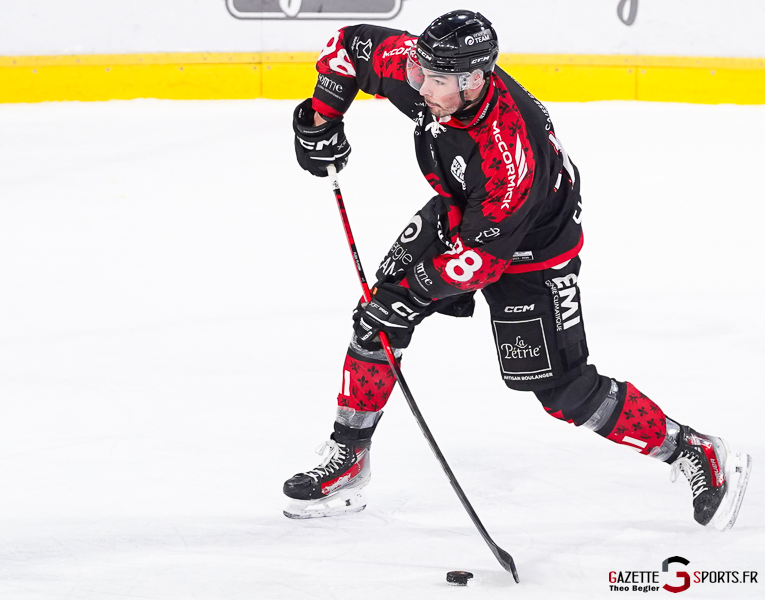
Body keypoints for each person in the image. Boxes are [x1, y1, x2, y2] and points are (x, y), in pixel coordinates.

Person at [283, 10, 751, 529]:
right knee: (377, 319)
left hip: (534, 251)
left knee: (564, 392)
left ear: (472, 79)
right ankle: (348, 458)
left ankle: (691, 450)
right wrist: (321, 118)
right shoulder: (425, 70)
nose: (420, 86)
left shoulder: (509, 151)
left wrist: (415, 289)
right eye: (421, 72)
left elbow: (480, 262)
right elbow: (347, 47)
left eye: (435, 81)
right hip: (466, 214)